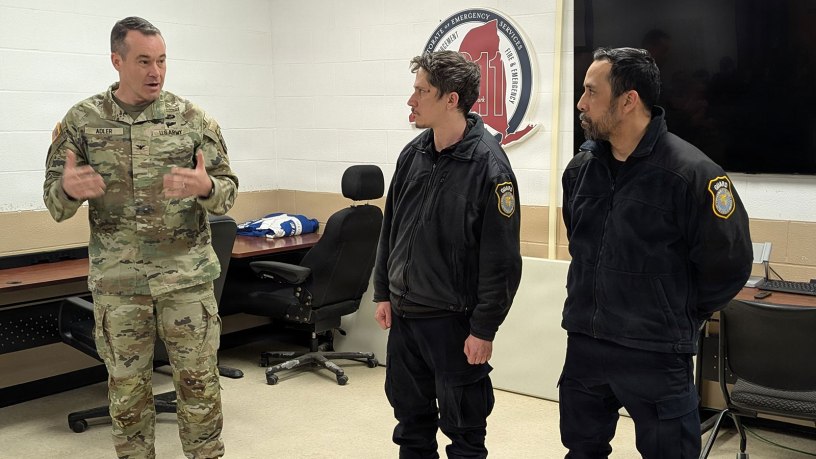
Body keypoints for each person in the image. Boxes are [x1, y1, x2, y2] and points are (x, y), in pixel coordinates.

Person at [43, 16, 238, 459]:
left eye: (163, 60)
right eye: (144, 61)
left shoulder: (192, 119)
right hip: (119, 284)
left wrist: (205, 188)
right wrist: (68, 190)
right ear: (117, 61)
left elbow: (227, 193)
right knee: (127, 396)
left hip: (185, 279)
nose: (156, 72)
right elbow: (55, 204)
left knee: (200, 387)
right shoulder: (81, 121)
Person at [560, 47, 753, 458]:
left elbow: (730, 265)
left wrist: (676, 311)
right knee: (581, 450)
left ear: (629, 100)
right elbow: (578, 239)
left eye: (591, 92)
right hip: (587, 344)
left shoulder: (692, 174)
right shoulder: (580, 169)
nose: (581, 103)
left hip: (656, 351)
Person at [372, 50, 522, 458]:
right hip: (405, 319)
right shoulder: (412, 154)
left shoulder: (489, 167)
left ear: (451, 99)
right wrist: (383, 291)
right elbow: (392, 228)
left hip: (454, 325)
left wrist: (484, 329)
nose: (411, 100)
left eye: (421, 91)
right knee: (411, 426)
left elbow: (503, 262)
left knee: (465, 433)